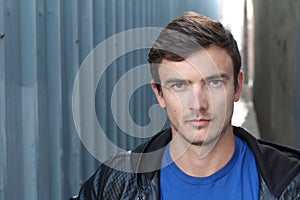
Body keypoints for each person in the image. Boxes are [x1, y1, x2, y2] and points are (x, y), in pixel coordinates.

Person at [72, 12, 300, 199]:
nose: (198, 104)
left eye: (214, 82)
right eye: (179, 86)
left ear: (237, 87)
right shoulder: (116, 182)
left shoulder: (289, 182)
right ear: (159, 94)